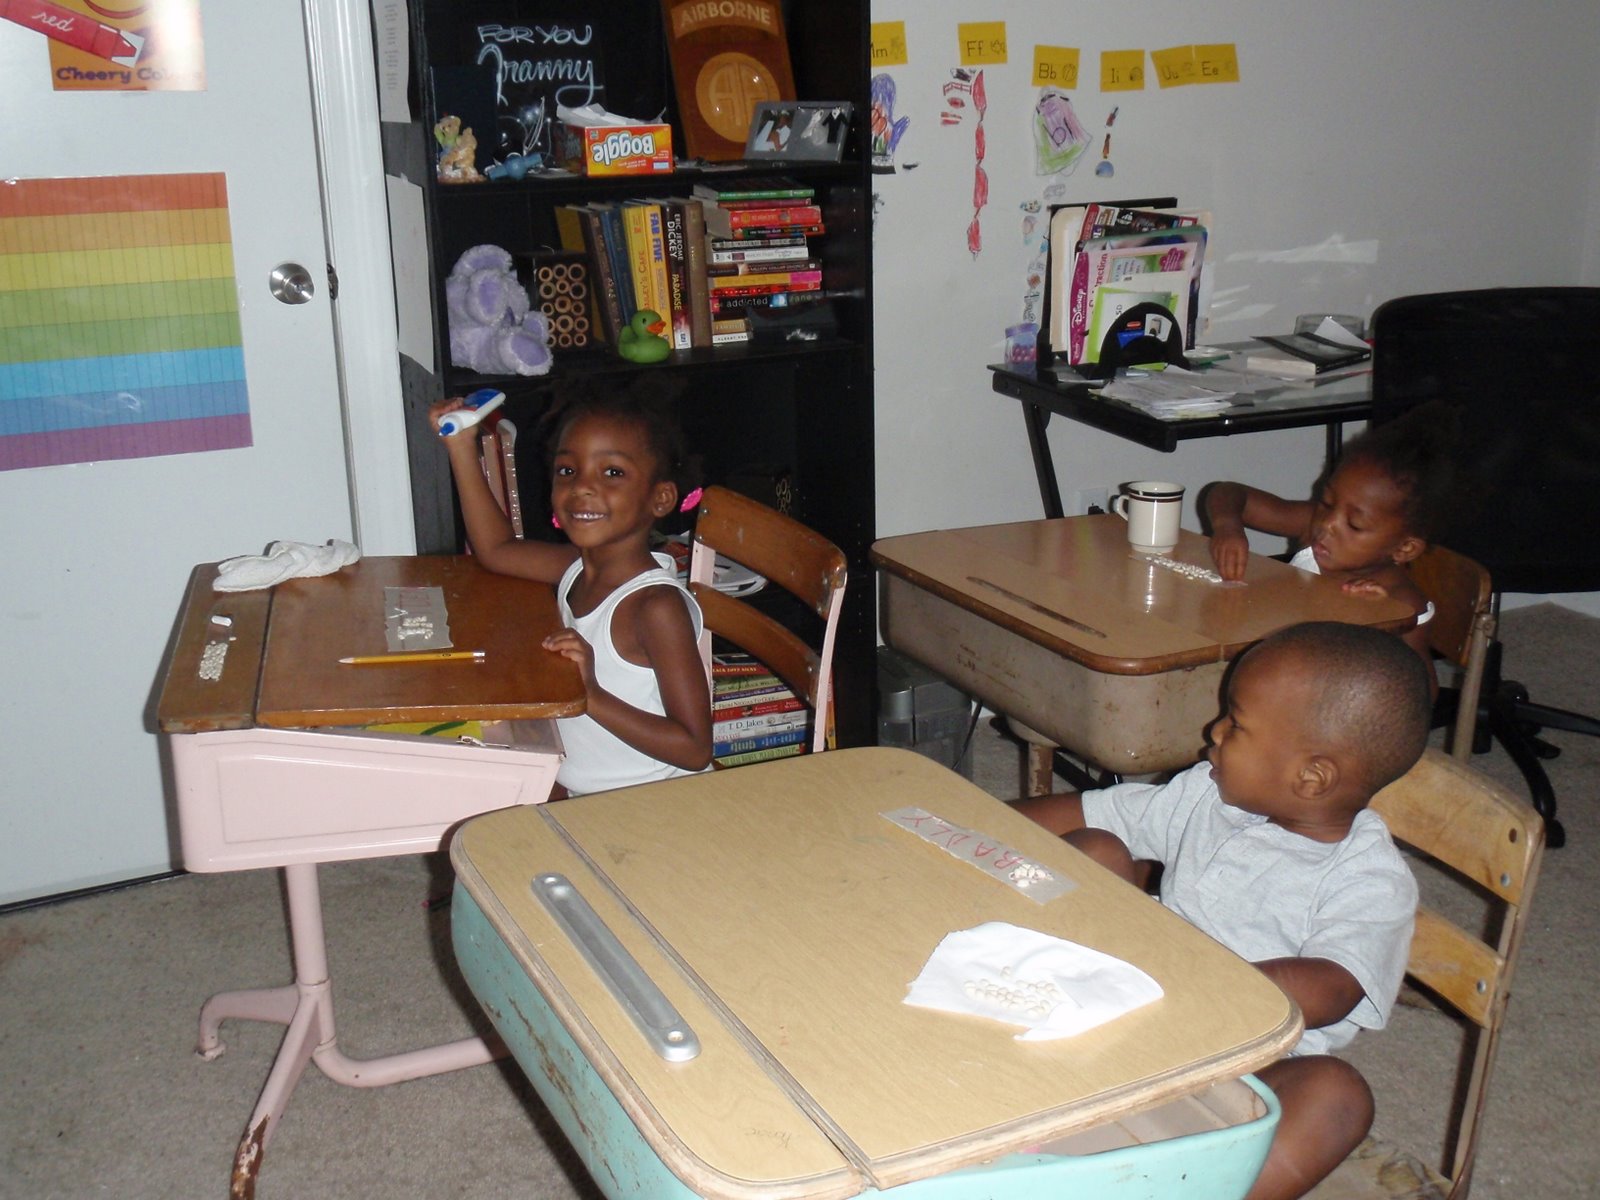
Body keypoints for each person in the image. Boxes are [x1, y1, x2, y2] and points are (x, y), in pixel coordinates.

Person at [1014, 622, 1430, 1200]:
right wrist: (961, 812)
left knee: (1337, 1096)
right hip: (1132, 1005)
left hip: (1242, 1063)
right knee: (1097, 850)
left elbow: (1335, 988)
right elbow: (1097, 813)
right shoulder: (1209, 793)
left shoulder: (1369, 880)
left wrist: (1195, 985)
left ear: (1311, 777)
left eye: (1236, 724)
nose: (1213, 731)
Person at [429, 384, 712, 796]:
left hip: (654, 801)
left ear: (661, 498)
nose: (581, 487)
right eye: (567, 470)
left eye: (612, 472)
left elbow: (695, 749)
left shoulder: (655, 608)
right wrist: (460, 446)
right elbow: (496, 550)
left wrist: (589, 694)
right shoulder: (577, 568)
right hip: (586, 795)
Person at [1200, 406, 1458, 694]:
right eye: (1327, 502)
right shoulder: (1312, 527)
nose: (1327, 524)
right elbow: (1229, 492)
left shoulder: (1403, 603)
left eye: (1355, 524)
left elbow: (1423, 691)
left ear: (1404, 548)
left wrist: (1382, 632)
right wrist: (1227, 525)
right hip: (1276, 672)